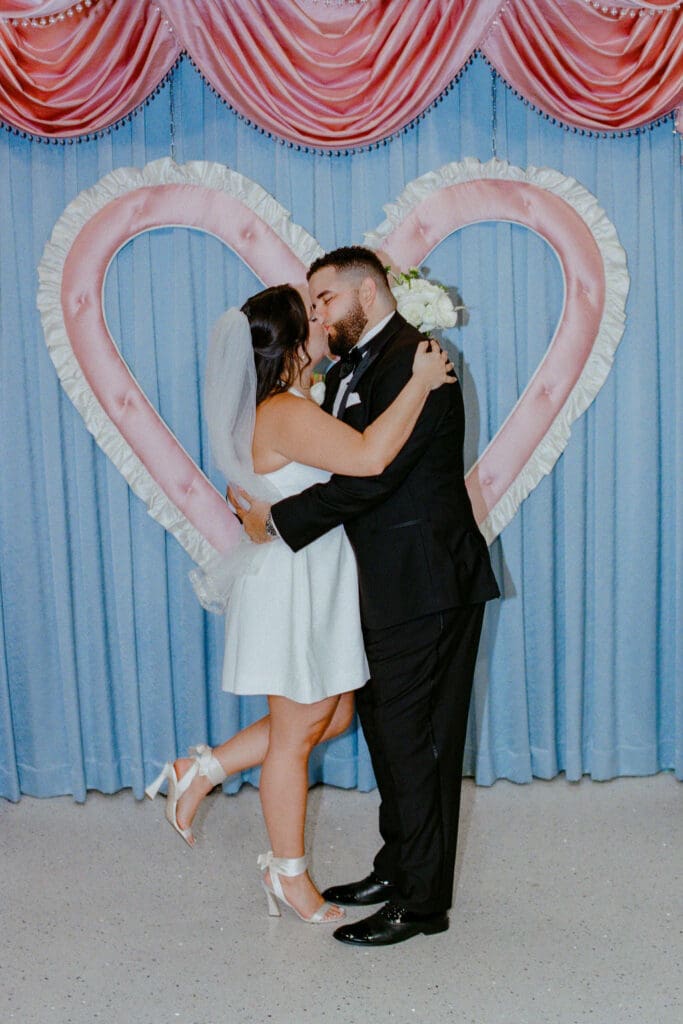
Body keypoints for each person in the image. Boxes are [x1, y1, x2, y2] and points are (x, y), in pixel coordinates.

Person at [146, 283, 455, 925]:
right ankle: (288, 875)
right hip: (294, 587)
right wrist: (421, 382)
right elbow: (369, 458)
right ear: (290, 343)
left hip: (310, 577)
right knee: (295, 737)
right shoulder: (285, 411)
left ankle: (201, 767)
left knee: (332, 718)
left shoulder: (291, 402)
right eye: (309, 314)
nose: (320, 318)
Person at [233, 247, 500, 947]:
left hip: (426, 581)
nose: (316, 312)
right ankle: (399, 863)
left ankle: (421, 901)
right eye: (313, 304)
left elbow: (370, 478)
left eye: (324, 299)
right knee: (389, 733)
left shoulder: (421, 363)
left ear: (369, 294)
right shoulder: (352, 367)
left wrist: (276, 521)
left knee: (420, 743)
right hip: (383, 586)